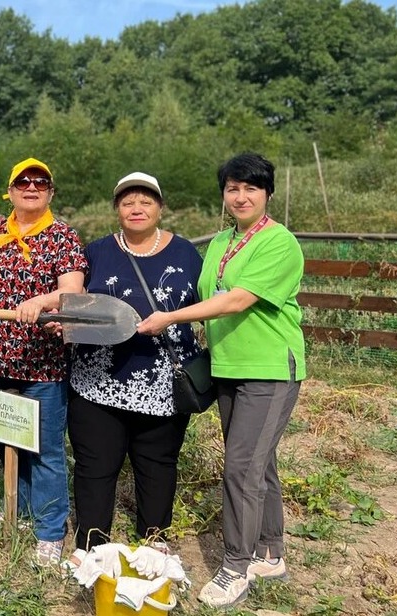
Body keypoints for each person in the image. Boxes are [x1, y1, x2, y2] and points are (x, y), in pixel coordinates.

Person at [138, 153, 305, 609]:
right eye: (233, 188)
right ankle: (269, 553)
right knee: (258, 464)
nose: (241, 196)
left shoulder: (279, 243)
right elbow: (202, 292)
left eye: (251, 187)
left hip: (269, 370)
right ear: (224, 196)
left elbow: (235, 301)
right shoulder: (222, 242)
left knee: (240, 468)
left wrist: (169, 317)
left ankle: (236, 566)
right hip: (228, 367)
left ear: (267, 193)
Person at [66, 172, 205, 564]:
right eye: (128, 202)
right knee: (95, 465)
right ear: (117, 210)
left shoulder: (186, 254)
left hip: (163, 383)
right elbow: (74, 301)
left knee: (158, 463)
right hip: (98, 382)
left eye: (146, 201)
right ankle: (91, 545)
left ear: (160, 207)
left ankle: (154, 539)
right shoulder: (96, 252)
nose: (137, 208)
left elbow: (209, 303)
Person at [0, 157, 87, 568]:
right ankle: (21, 511)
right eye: (22, 182)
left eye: (39, 182)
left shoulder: (63, 237)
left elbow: (72, 292)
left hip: (43, 363)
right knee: (11, 442)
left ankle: (50, 529)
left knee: (45, 448)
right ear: (9, 190)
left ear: (50, 192)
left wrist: (42, 301)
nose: (30, 187)